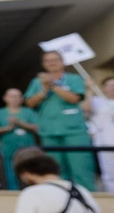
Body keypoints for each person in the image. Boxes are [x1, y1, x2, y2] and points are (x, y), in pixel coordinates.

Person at [25, 50, 96, 192]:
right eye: (48, 60)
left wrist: (53, 85)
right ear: (43, 64)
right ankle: (60, 198)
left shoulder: (74, 79)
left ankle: (86, 199)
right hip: (49, 131)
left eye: (55, 59)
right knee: (54, 170)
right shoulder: (37, 82)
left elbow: (74, 98)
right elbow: (30, 103)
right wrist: (44, 90)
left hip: (74, 131)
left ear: (63, 62)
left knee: (81, 168)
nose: (52, 63)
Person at [0, 88, 39, 190]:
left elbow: (38, 128)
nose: (14, 99)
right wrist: (8, 128)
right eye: (11, 96)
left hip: (27, 150)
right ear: (5, 98)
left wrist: (20, 123)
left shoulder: (29, 112)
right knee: (10, 176)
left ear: (21, 98)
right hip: (7, 150)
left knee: (30, 174)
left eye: (17, 96)